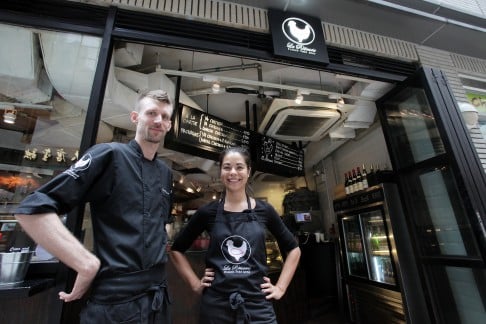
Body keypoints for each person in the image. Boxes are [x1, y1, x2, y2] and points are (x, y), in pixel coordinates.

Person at [14, 89, 174, 323]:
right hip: (115, 304)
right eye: (151, 113)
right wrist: (85, 262)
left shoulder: (165, 173)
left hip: (158, 301)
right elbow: (33, 208)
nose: (158, 120)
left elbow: (159, 228)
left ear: (169, 125)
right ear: (135, 117)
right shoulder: (109, 155)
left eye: (165, 116)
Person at [170, 146, 301, 324]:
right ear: (221, 172)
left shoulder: (265, 210)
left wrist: (280, 287)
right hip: (216, 306)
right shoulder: (207, 212)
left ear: (248, 171)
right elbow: (176, 249)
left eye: (239, 167)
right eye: (227, 167)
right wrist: (195, 283)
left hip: (257, 305)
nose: (233, 172)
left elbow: (294, 249)